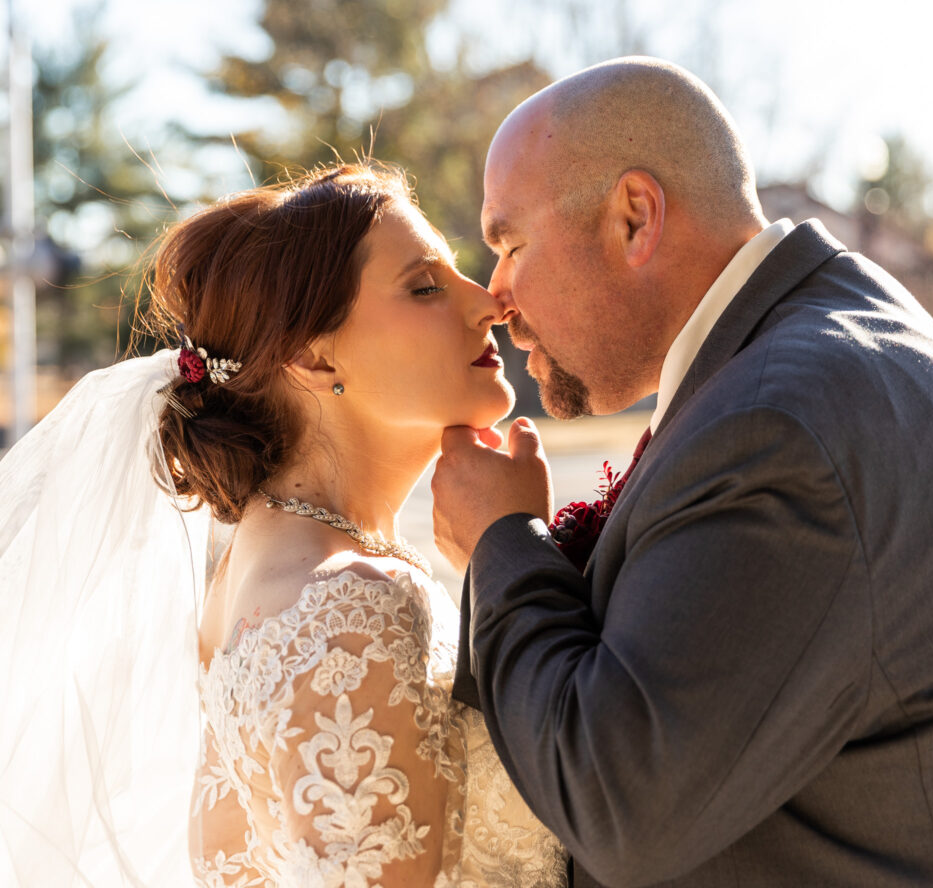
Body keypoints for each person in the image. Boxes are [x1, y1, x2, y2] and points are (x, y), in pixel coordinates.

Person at [431, 57, 933, 887]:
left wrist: (501, 541)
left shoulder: (776, 426)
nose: (495, 294)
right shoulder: (828, 345)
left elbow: (617, 803)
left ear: (634, 218)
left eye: (511, 244)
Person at [0, 162, 567, 887]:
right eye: (424, 287)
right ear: (312, 353)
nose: (487, 301)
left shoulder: (268, 564)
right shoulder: (347, 603)